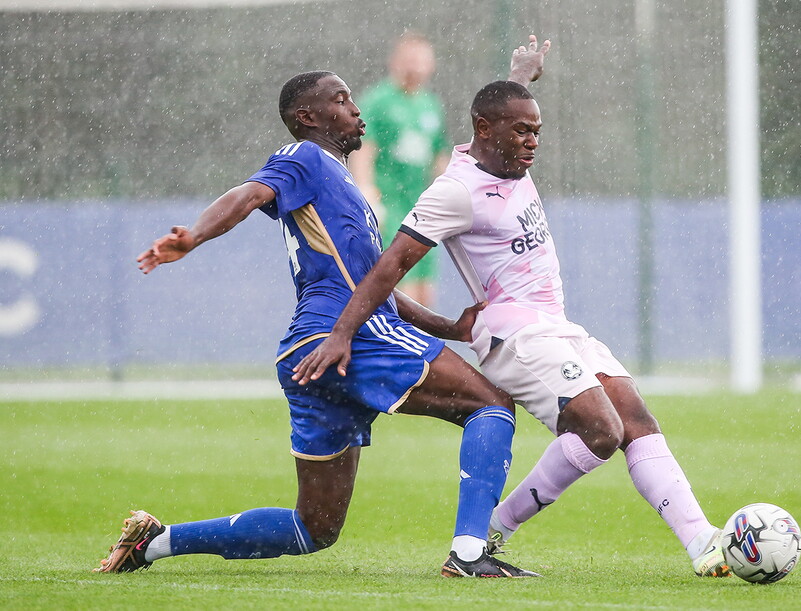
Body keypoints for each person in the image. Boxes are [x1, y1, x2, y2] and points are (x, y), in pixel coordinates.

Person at [93, 41, 552, 579]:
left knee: (313, 529)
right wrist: (193, 235)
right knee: (491, 405)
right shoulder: (303, 158)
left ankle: (153, 543)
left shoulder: (342, 185)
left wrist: (447, 327)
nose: (355, 109)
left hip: (318, 350)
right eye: (341, 99)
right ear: (306, 117)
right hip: (345, 338)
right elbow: (247, 195)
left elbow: (369, 286)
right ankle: (471, 553)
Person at [296, 35, 732, 578]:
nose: (532, 142)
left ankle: (703, 544)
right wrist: (342, 333)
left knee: (637, 422)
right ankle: (491, 531)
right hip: (514, 338)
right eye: (522, 131)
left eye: (537, 132)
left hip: (557, 326)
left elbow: (503, 107)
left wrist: (519, 75)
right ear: (486, 130)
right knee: (601, 431)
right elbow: (386, 270)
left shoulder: (507, 157)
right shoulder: (455, 191)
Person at [350, 32, 449, 308]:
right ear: (395, 61)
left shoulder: (431, 104)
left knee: (426, 287)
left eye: (422, 60)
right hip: (390, 204)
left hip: (423, 206)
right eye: (410, 59)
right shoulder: (378, 100)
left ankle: (422, 348)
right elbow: (364, 149)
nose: (415, 66)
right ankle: (398, 346)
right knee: (398, 282)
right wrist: (367, 191)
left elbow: (440, 156)